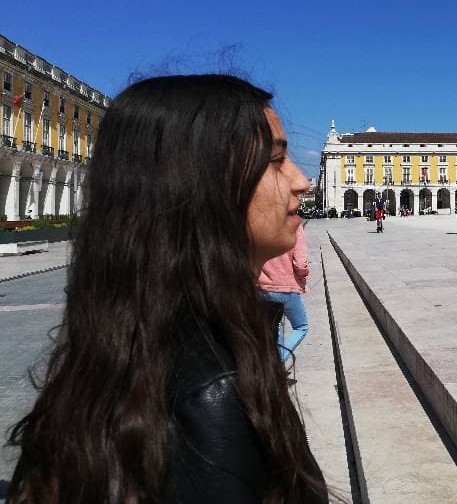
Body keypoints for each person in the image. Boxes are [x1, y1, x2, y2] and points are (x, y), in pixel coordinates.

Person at [6, 75, 329, 503]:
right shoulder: (213, 392)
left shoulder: (124, 342)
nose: (301, 180)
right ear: (201, 183)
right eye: (275, 161)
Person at [259, 225, 311, 365]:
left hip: (261, 287)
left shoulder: (257, 222)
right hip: (286, 287)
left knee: (276, 325)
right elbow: (300, 264)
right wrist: (303, 275)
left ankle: (274, 366)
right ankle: (276, 362)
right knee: (301, 327)